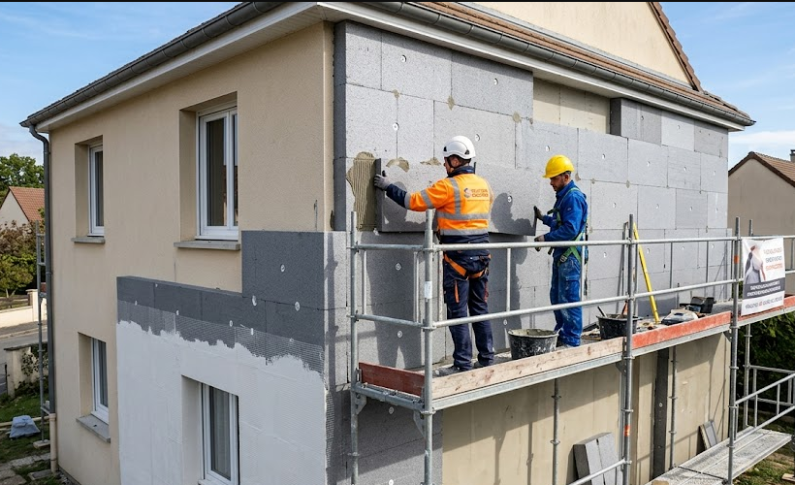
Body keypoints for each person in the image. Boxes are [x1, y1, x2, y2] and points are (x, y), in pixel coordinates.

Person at [373, 135, 495, 376]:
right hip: (482, 256)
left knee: (457, 313)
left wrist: (388, 188)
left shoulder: (447, 186)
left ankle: (462, 364)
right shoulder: (484, 185)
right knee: (480, 309)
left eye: (446, 161)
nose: (444, 166)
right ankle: (487, 359)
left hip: (458, 258)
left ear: (455, 160)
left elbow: (413, 202)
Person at [533, 154, 588, 349]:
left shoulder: (572, 197)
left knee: (568, 296)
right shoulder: (565, 196)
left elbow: (570, 229)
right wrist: (545, 220)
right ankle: (563, 333)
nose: (551, 183)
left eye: (554, 178)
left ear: (566, 176)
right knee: (557, 295)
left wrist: (545, 238)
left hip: (570, 256)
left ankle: (572, 339)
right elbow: (561, 221)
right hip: (563, 256)